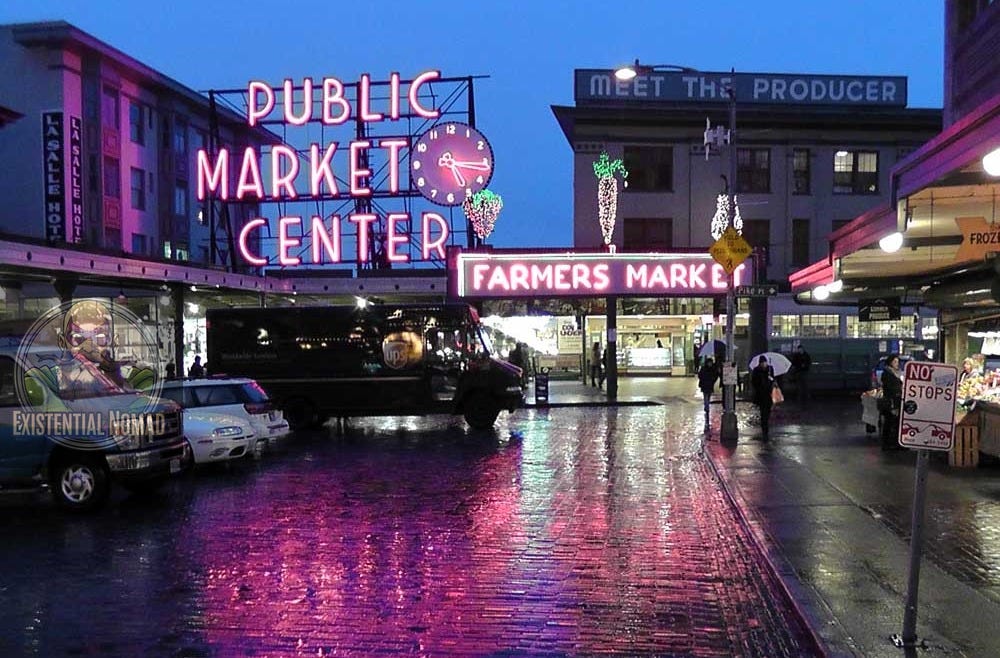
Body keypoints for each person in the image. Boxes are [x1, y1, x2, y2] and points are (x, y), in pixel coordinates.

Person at [880, 354, 904, 451]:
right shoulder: (887, 373)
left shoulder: (897, 373)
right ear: (890, 362)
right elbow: (890, 388)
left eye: (897, 362)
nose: (897, 364)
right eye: (895, 362)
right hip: (890, 401)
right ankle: (887, 444)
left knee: (896, 422)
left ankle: (895, 443)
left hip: (896, 400)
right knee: (889, 422)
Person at [751, 355, 776, 440]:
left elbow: (774, 379)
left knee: (768, 411)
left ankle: (766, 424)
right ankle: (764, 428)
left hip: (769, 394)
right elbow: (754, 381)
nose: (764, 364)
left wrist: (771, 379)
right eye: (762, 363)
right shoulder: (756, 370)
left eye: (765, 362)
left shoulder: (770, 369)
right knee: (763, 412)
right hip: (761, 395)